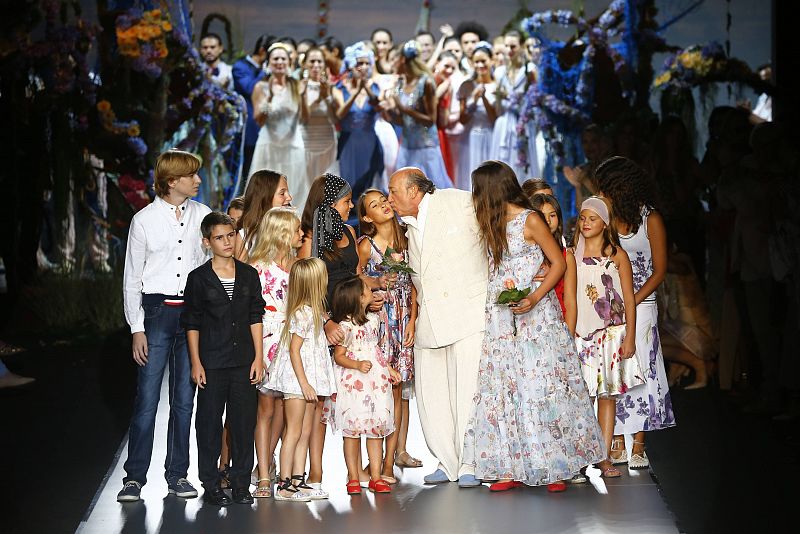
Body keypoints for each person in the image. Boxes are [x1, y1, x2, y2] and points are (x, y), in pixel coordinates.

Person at [461, 161, 605, 493]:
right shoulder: (492, 221)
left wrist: (535, 297)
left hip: (536, 315)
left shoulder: (531, 220)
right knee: (506, 387)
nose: (475, 196)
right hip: (502, 316)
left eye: (478, 189)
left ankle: (556, 467)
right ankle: (509, 466)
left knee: (541, 385)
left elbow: (558, 262)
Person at [117, 150, 211, 502]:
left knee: (184, 400)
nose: (198, 180)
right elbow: (132, 277)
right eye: (191, 175)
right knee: (147, 399)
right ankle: (134, 478)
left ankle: (177, 475)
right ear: (172, 181)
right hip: (156, 312)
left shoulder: (202, 215)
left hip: (193, 314)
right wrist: (136, 327)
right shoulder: (144, 220)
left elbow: (211, 263)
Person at [387, 167, 488, 486]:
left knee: (467, 392)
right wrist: (414, 318)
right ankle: (447, 461)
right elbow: (418, 279)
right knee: (432, 396)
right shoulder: (408, 226)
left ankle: (471, 461)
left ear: (413, 191)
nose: (389, 199)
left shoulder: (460, 202)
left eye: (393, 192)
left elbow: (499, 231)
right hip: (429, 321)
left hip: (467, 314)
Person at [595, 157, 676, 470]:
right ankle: (616, 437)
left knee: (642, 366)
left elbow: (659, 269)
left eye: (604, 188)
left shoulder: (650, 219)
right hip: (611, 304)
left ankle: (639, 442)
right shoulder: (606, 218)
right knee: (614, 368)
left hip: (643, 303)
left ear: (620, 188)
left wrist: (632, 302)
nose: (600, 193)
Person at [181, 212, 265, 506]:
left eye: (231, 235)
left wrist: (259, 357)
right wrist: (196, 362)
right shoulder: (198, 279)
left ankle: (241, 484)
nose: (227, 242)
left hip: (243, 361)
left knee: (243, 424)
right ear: (207, 242)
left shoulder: (249, 274)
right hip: (212, 363)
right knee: (209, 425)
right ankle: (211, 483)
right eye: (219, 237)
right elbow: (192, 322)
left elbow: (256, 316)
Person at [566, 196, 643, 479]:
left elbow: (629, 299)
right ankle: (581, 457)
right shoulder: (571, 254)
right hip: (581, 333)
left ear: (605, 223)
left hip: (611, 333)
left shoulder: (617, 255)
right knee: (582, 397)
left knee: (607, 396)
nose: (586, 223)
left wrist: (630, 336)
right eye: (583, 218)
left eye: (593, 219)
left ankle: (604, 457)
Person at [357, 189, 423, 480]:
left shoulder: (407, 238)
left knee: (399, 391)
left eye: (384, 199)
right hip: (379, 321)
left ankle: (390, 460)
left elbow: (416, 283)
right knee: (380, 390)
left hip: (404, 320)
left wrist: (413, 320)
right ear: (366, 218)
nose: (384, 205)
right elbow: (356, 278)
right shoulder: (366, 245)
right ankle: (373, 461)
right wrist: (374, 286)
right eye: (375, 204)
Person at [264, 258, 337, 502]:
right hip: (297, 381)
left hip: (309, 379)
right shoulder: (302, 314)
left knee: (305, 431)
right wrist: (304, 384)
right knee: (293, 431)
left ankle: (298, 479)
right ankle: (284, 484)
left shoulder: (313, 312)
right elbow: (294, 350)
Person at [248, 207, 304, 498]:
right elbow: (250, 312)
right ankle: (263, 474)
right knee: (266, 409)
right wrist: (257, 354)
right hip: (266, 340)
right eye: (297, 230)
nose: (302, 234)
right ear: (282, 233)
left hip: (292, 342)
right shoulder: (257, 268)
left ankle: (269, 463)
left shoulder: (299, 267)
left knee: (284, 407)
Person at [330, 276, 401, 494]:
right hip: (354, 383)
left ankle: (376, 476)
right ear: (360, 298)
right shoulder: (345, 327)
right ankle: (353, 477)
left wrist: (388, 369)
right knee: (352, 431)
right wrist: (357, 364)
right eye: (367, 289)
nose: (371, 290)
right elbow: (339, 356)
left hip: (375, 380)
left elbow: (376, 350)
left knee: (376, 428)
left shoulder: (373, 320)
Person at [385, 41, 452, 190]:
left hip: (425, 146)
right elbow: (403, 121)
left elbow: (430, 120)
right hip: (408, 145)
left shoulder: (425, 82)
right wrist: (389, 111)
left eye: (395, 58)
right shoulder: (400, 84)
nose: (393, 62)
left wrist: (404, 109)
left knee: (430, 190)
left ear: (403, 60)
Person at [250, 43, 309, 209]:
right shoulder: (260, 87)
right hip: (269, 144)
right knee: (267, 189)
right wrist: (269, 98)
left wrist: (303, 96)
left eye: (283, 58)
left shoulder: (296, 85)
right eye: (275, 58)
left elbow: (305, 118)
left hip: (293, 145)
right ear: (268, 62)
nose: (280, 62)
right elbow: (259, 120)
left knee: (295, 188)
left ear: (289, 62)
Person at [333, 43, 384, 203]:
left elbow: (378, 107)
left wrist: (365, 88)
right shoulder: (340, 88)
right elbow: (339, 115)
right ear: (350, 65)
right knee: (348, 184)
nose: (363, 67)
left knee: (368, 185)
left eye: (367, 63)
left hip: (370, 140)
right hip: (349, 141)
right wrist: (355, 93)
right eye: (359, 63)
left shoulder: (374, 88)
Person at [491, 30, 539, 183]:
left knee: (524, 165)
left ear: (521, 46)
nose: (509, 50)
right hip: (504, 123)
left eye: (513, 46)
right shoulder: (500, 72)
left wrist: (511, 97)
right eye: (506, 46)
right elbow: (498, 107)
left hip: (522, 122)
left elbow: (535, 99)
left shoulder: (529, 70)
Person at [456, 41, 497, 190]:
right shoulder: (466, 85)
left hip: (491, 136)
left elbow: (494, 120)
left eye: (483, 61)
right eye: (476, 62)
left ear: (491, 61)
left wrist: (484, 98)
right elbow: (462, 119)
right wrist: (473, 101)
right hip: (470, 137)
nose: (480, 65)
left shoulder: (497, 85)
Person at [232, 35, 272, 184]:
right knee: (249, 170)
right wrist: (265, 73)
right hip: (250, 127)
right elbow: (249, 88)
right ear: (262, 51)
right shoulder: (240, 67)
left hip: (271, 127)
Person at [301, 46, 339, 183]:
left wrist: (326, 96)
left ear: (324, 64)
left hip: (327, 142)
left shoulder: (331, 87)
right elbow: (303, 118)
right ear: (305, 64)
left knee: (324, 185)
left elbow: (334, 119)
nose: (316, 65)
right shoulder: (300, 86)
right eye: (312, 61)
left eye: (319, 61)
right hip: (306, 142)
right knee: (306, 184)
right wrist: (318, 99)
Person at [235, 170, 293, 258]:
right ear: (265, 197)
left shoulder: (295, 230)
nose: (289, 198)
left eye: (287, 192)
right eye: (282, 193)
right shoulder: (245, 237)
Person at [530, 193, 568, 314]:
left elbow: (570, 301)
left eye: (552, 215)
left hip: (557, 316)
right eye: (541, 216)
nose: (547, 221)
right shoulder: (525, 257)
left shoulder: (566, 256)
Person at [433, 51, 460, 182]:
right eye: (446, 66)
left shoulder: (449, 87)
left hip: (440, 134)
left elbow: (443, 122)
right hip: (423, 132)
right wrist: (438, 95)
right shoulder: (428, 81)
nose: (449, 71)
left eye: (453, 68)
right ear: (437, 63)